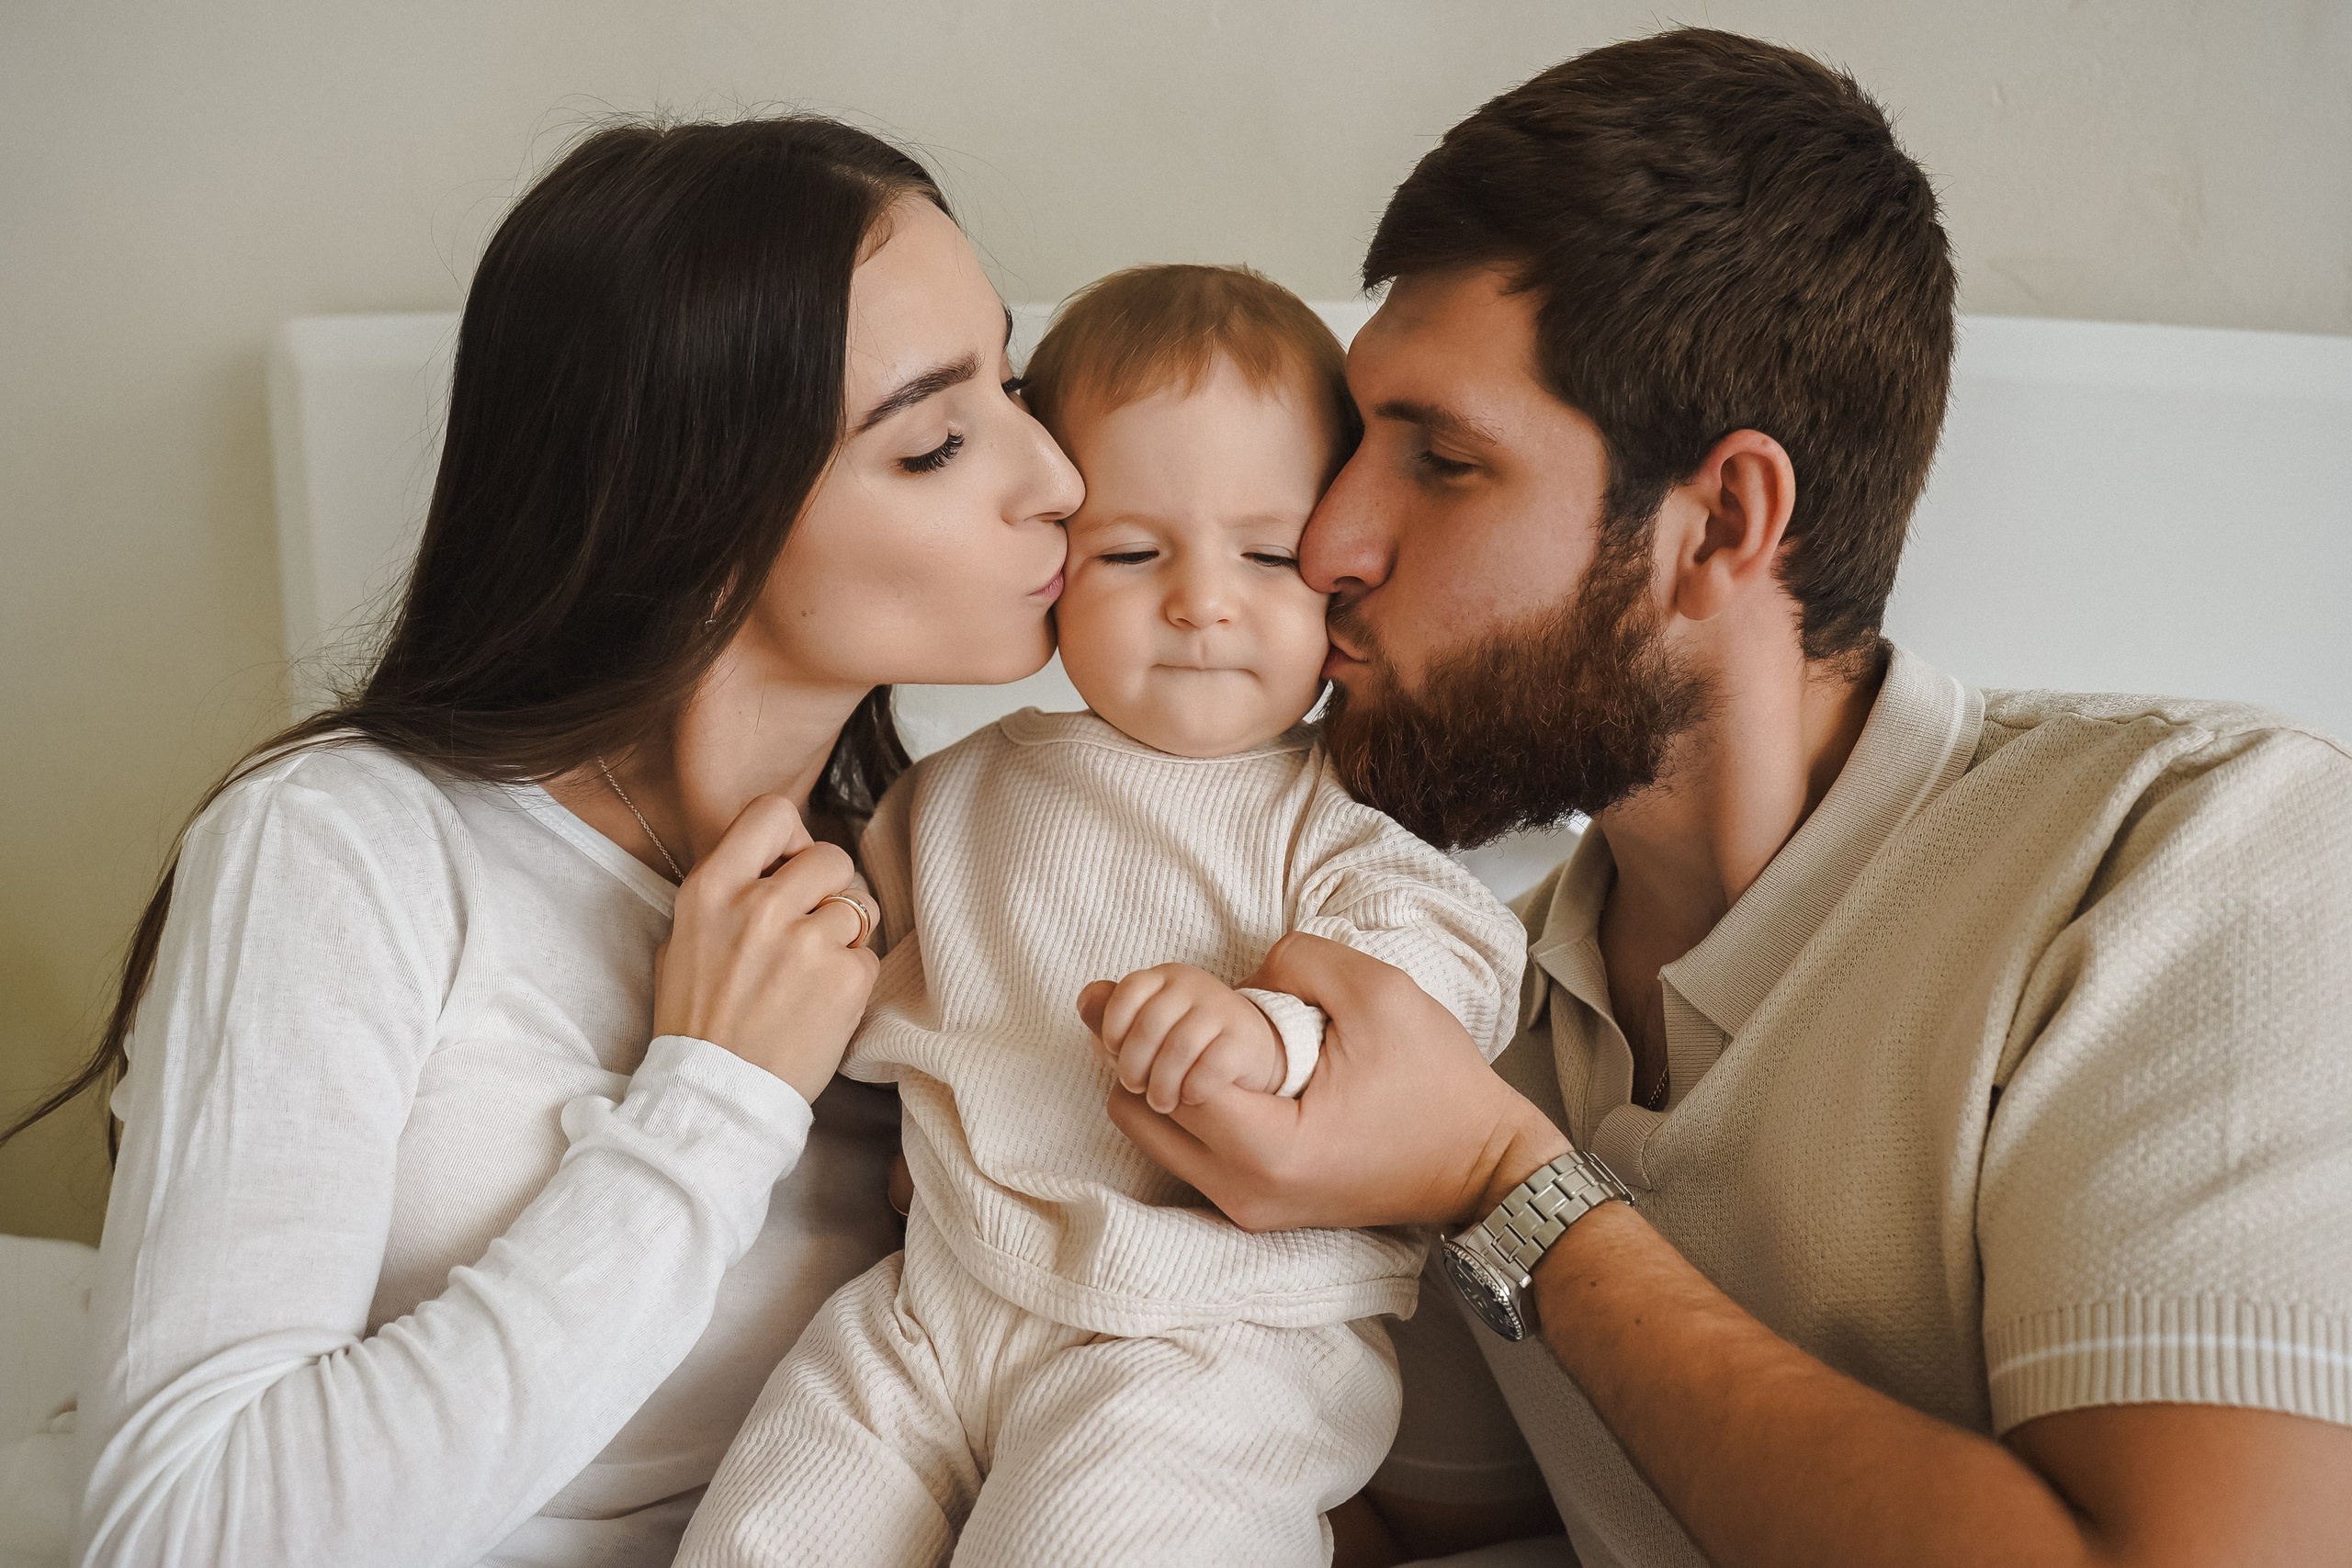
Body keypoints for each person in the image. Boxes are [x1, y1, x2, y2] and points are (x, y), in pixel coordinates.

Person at [1092, 30, 2352, 1568]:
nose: (1334, 539)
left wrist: (1511, 1192)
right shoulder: (1458, 1013)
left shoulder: (2198, 853)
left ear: (1722, 524)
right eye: (1359, 444)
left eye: (1441, 459)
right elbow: (1411, 1533)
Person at [7, 116, 1083, 1568]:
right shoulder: (343, 848)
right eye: (938, 440)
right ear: (695, 507)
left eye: (1014, 385)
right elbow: (184, 1536)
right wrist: (712, 1103)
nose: (1058, 478)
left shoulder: (962, 883)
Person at [674, 265, 1527, 1568]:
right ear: (1049, 566)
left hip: (1215, 1334)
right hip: (937, 1300)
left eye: (1266, 553)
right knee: (770, 1529)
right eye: (1131, 553)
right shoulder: (950, 795)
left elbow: (1456, 972)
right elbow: (869, 980)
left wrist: (1272, 1033)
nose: (1200, 601)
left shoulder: (1338, 814)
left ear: (1339, 580)